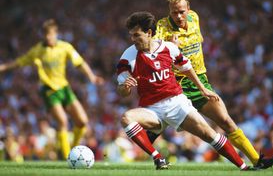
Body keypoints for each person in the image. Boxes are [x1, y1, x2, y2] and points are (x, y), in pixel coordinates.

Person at [150, 0, 273, 169]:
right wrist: (169, 47)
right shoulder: (162, 28)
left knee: (226, 121)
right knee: (158, 124)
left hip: (199, 82)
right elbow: (152, 52)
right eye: (173, 12)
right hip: (175, 85)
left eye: (181, 11)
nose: (178, 16)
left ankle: (257, 160)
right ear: (169, 11)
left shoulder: (194, 18)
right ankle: (146, 144)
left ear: (189, 8)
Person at [117, 11, 255, 170]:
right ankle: (158, 158)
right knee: (126, 118)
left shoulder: (168, 48)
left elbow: (187, 68)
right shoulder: (128, 56)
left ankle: (244, 167)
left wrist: (203, 89)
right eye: (131, 36)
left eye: (136, 35)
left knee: (210, 135)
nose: (133, 39)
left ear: (149, 33)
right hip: (152, 110)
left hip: (177, 104)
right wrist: (125, 87)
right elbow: (122, 91)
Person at [0, 19, 104, 159]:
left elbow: (79, 63)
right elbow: (20, 62)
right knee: (62, 121)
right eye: (45, 34)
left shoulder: (65, 47)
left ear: (56, 34)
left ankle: (73, 148)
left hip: (64, 88)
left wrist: (92, 77)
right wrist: (4, 67)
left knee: (82, 121)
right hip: (49, 89)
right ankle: (68, 156)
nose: (48, 37)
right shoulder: (38, 50)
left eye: (50, 34)